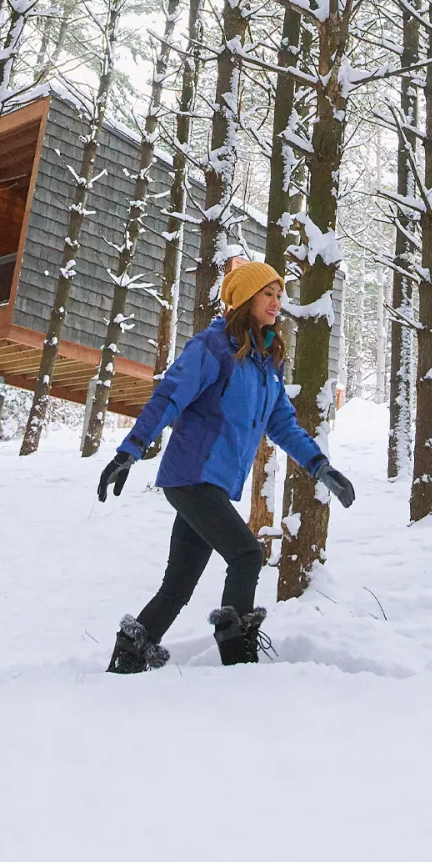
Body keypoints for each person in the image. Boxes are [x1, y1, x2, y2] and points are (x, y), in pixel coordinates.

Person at [95, 258, 356, 671]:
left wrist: (321, 467)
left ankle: (127, 659)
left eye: (279, 294)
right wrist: (130, 450)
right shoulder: (212, 346)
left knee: (178, 585)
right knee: (247, 554)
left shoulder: (267, 360)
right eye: (267, 294)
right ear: (246, 300)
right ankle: (237, 657)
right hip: (192, 475)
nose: (276, 302)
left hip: (209, 483)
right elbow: (169, 397)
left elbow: (283, 423)